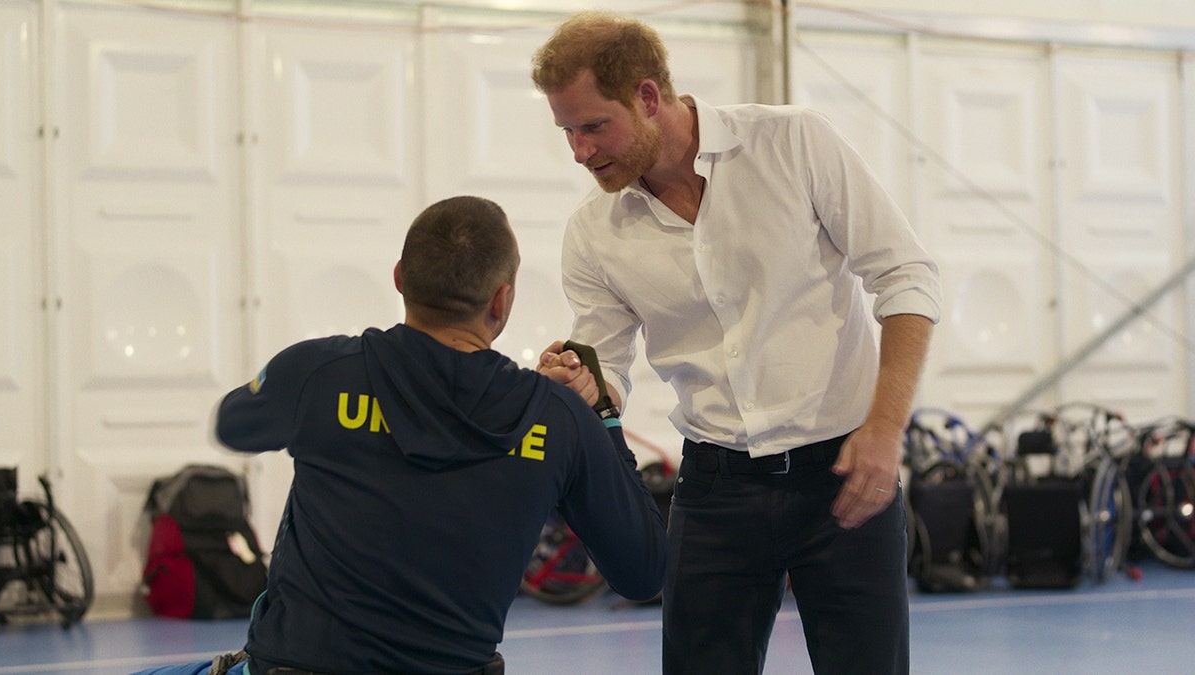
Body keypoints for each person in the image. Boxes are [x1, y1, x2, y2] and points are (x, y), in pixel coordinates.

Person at [530, 12, 942, 675]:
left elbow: (907, 277)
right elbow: (607, 370)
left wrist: (887, 430)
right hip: (715, 491)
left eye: (592, 125)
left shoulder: (795, 144)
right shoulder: (592, 233)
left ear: (647, 97)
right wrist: (584, 382)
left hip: (845, 477)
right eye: (567, 132)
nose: (579, 150)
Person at [131, 195, 668, 675]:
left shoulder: (320, 373)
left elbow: (234, 424)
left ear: (399, 278)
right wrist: (598, 417)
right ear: (501, 301)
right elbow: (644, 573)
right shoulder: (558, 418)